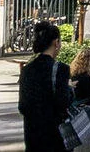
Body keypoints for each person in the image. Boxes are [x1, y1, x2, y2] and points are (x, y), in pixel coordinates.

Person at [17, 23, 73, 152]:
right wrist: (70, 89)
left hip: (33, 133)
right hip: (56, 133)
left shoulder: (27, 69)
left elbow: (23, 106)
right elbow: (63, 102)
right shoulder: (61, 69)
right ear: (56, 42)